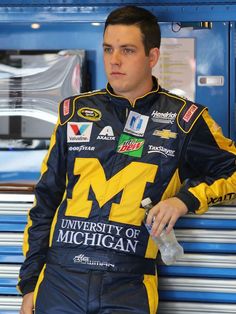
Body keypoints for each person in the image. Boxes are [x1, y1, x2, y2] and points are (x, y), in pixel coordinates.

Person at [18, 5, 236, 314]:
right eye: (108, 49)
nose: (114, 60)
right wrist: (29, 286)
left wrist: (184, 199)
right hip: (60, 281)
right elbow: (45, 202)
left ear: (152, 57)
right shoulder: (74, 112)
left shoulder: (184, 120)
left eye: (127, 50)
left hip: (128, 283)